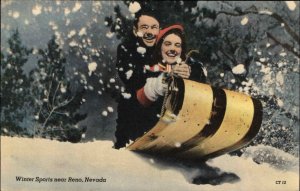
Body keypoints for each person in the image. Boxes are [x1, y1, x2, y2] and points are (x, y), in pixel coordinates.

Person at [115, 20, 206, 149]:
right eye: (168, 44)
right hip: (143, 134)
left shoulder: (191, 67)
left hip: (178, 138)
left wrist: (190, 74)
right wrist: (165, 80)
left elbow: (201, 82)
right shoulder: (147, 69)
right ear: (160, 48)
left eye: (177, 45)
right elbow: (139, 99)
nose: (172, 49)